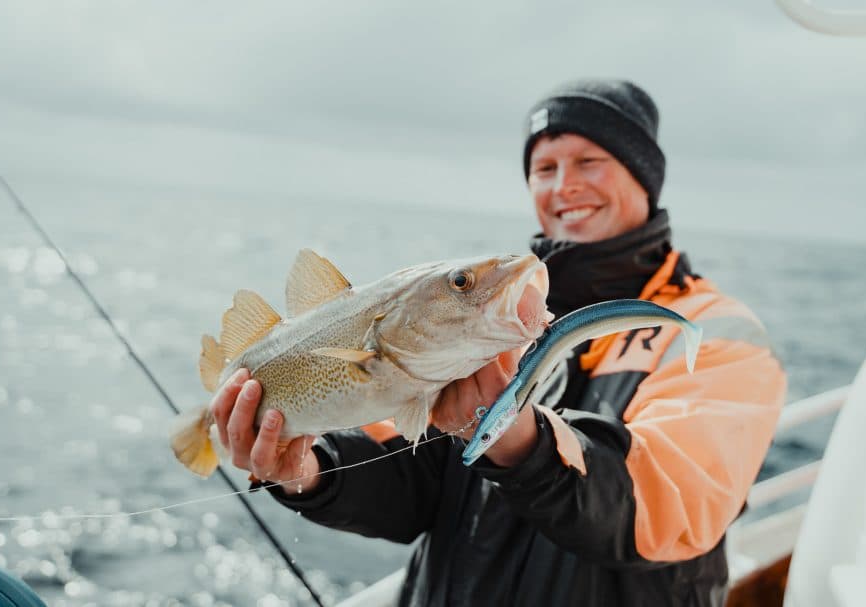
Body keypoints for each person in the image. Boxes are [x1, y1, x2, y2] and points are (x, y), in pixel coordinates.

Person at [211, 79, 786, 606]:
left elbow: (667, 501)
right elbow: (414, 483)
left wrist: (520, 442)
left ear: (644, 175)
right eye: (544, 167)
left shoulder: (717, 331)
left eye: (590, 161)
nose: (564, 185)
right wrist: (311, 471)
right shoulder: (485, 326)